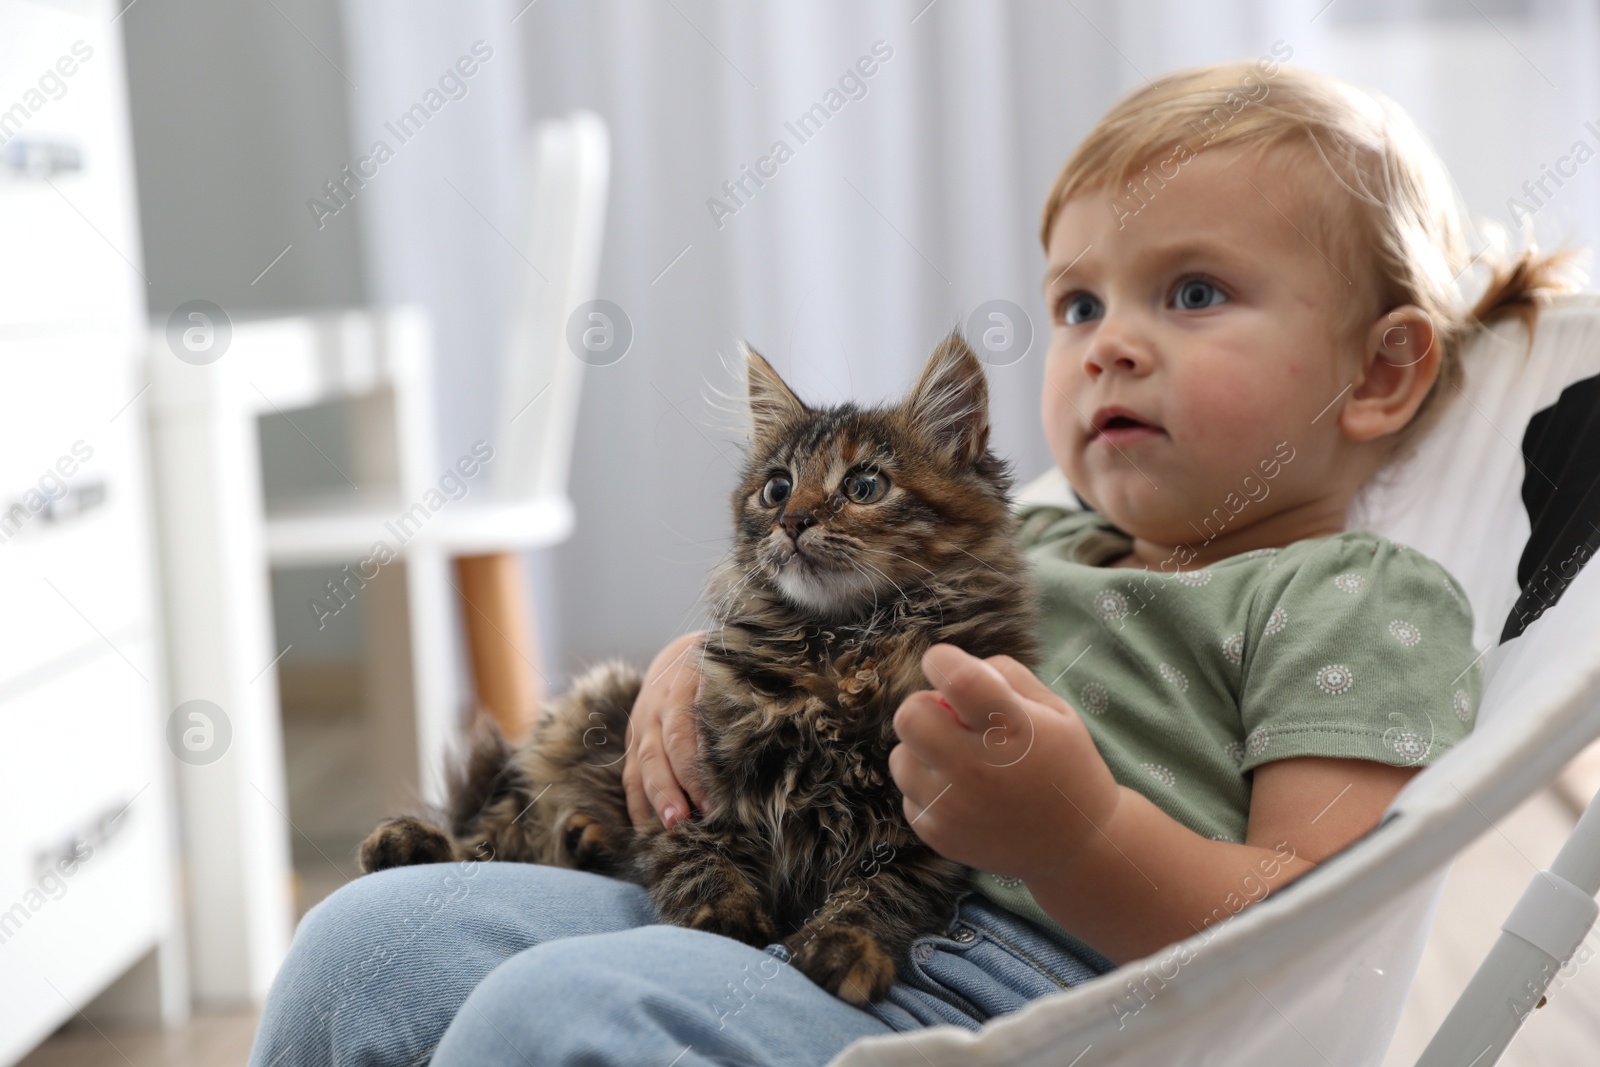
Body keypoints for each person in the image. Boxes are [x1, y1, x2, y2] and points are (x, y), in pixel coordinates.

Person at [247, 58, 1579, 1066]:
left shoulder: (1350, 596)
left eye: (1191, 293)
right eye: (1078, 302)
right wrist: (693, 668)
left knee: (556, 1022)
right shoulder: (1026, 538)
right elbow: (804, 637)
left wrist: (1083, 835)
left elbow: (1313, 922)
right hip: (784, 908)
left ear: (1382, 370)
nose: (1108, 342)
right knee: (371, 946)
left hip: (1014, 994)